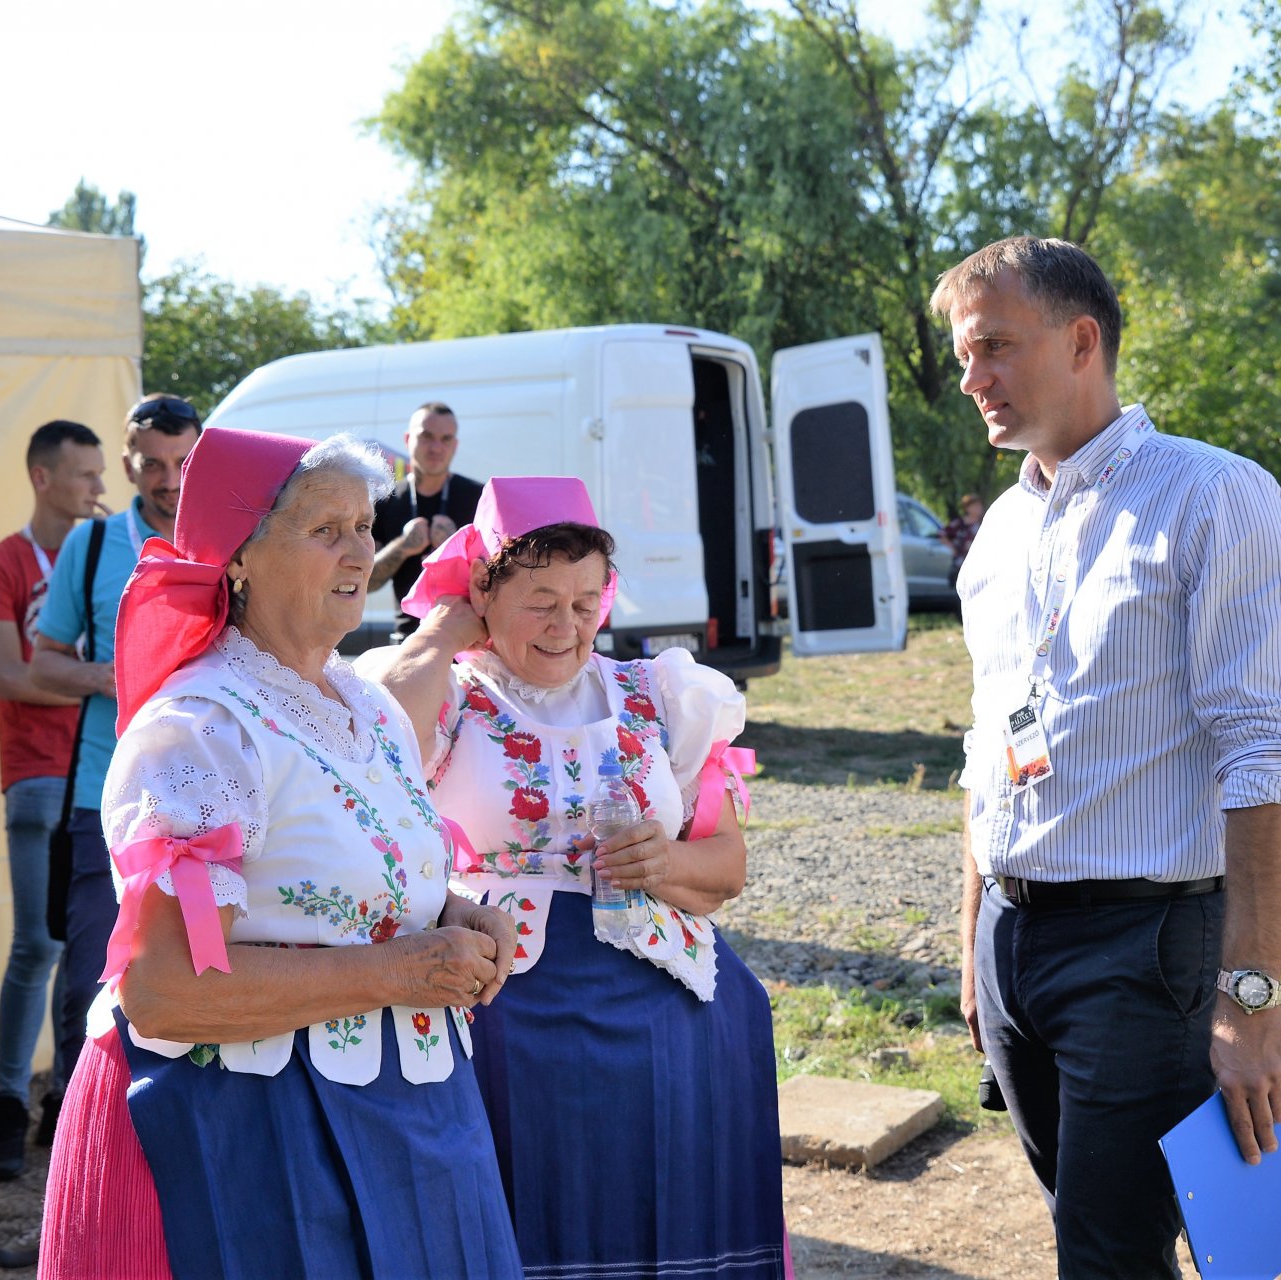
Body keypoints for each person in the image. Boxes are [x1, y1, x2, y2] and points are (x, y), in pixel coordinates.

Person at [38, 427, 522, 1279]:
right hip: (244, 1121)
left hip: (399, 1104)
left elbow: (352, 883)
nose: (358, 551)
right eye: (324, 529)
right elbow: (163, 991)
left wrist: (452, 915)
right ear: (238, 560)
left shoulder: (365, 708)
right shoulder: (203, 729)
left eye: (365, 527)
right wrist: (403, 972)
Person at [935, 236, 1281, 1278]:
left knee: (1106, 1252)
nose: (972, 380)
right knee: (1094, 1228)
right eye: (965, 357)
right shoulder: (1002, 533)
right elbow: (988, 744)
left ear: (1082, 339)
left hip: (1147, 950)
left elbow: (1269, 753)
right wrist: (975, 934)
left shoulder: (1214, 496)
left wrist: (1247, 992)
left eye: (994, 349)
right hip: (1017, 943)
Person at [373, 476, 787, 1278]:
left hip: (668, 1007)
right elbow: (372, 743)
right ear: (485, 590)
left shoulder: (661, 693)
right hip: (505, 1008)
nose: (568, 627)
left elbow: (726, 868)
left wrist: (661, 860)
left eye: (586, 601)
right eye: (540, 602)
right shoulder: (448, 694)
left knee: (664, 1223)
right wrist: (446, 629)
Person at [29, 394, 200, 1120]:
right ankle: (80, 1178)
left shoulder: (231, 542)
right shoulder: (91, 547)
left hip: (209, 803)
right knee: (92, 997)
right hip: (107, 801)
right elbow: (42, 665)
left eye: (183, 462)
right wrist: (115, 675)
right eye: (152, 464)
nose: (168, 479)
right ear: (125, 463)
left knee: (202, 989)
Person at [0, 420, 107, 1185]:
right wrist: (101, 679)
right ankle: (9, 1103)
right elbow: (10, 674)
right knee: (40, 944)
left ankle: (68, 1098)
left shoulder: (114, 552)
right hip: (39, 776)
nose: (97, 488)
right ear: (42, 477)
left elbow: (42, 671)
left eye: (99, 474)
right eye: (84, 474)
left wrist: (64, 675)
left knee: (91, 949)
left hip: (106, 774)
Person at [369, 402, 482, 640]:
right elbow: (366, 583)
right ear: (408, 439)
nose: (436, 447)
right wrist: (402, 546)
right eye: (427, 437)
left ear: (455, 445)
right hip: (407, 638)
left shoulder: (478, 498)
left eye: (445, 439)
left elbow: (496, 579)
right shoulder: (386, 501)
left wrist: (454, 547)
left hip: (465, 642)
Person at [940, 492, 985, 582]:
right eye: (976, 506)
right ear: (968, 508)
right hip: (961, 564)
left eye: (980, 505)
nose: (979, 508)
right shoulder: (959, 524)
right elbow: (942, 534)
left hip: (978, 565)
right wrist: (952, 548)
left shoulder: (983, 524)